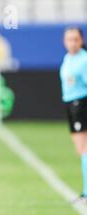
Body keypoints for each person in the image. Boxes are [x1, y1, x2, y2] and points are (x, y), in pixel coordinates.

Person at [60, 27, 87, 200]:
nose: (72, 42)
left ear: (81, 41)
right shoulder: (68, 58)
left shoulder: (83, 60)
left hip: (81, 103)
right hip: (71, 103)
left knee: (84, 149)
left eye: (75, 39)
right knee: (81, 149)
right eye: (69, 39)